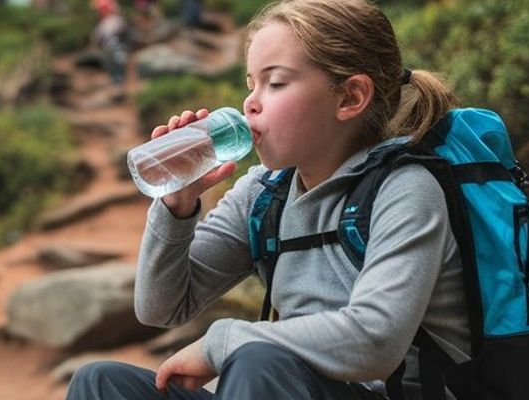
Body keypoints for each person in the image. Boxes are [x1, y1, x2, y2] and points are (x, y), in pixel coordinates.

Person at [68, 0, 467, 398]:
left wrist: (219, 343)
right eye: (250, 84)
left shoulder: (406, 188)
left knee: (259, 362)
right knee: (100, 383)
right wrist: (178, 203)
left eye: (275, 83)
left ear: (350, 98)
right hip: (276, 384)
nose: (250, 102)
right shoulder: (264, 193)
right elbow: (161, 307)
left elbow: (376, 341)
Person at [92, 0, 129, 85]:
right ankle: (117, 80)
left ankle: (121, 80)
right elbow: (97, 38)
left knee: (119, 60)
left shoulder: (117, 20)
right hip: (107, 50)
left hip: (118, 48)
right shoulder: (102, 24)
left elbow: (123, 33)